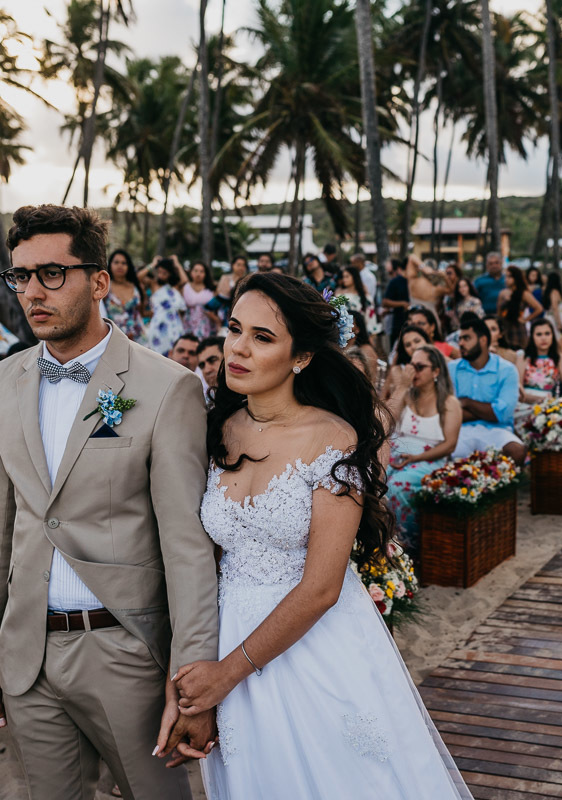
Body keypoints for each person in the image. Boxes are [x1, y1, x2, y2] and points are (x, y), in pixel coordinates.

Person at [172, 272, 471, 798]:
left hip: (311, 645)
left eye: (263, 338)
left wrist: (226, 673)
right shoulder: (216, 428)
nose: (237, 349)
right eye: (235, 329)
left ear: (302, 357)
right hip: (227, 631)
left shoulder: (333, 439)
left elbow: (322, 587)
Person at [0, 204, 218, 798]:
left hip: (125, 650)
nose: (33, 291)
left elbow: (186, 543)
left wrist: (192, 673)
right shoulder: (4, 380)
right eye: (21, 276)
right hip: (25, 656)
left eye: (52, 273)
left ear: (99, 281)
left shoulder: (166, 387)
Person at [384, 344, 461, 550]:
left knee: (397, 487)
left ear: (435, 371)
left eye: (419, 367)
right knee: (375, 482)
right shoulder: (407, 395)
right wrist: (402, 387)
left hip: (430, 459)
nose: (413, 371)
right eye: (411, 365)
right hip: (398, 454)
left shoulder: (449, 402)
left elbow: (450, 445)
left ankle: (409, 545)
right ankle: (381, 541)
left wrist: (415, 458)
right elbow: (386, 420)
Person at [448, 313, 526, 463]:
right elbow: (448, 413)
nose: (461, 343)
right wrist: (489, 409)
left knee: (517, 451)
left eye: (467, 338)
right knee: (442, 454)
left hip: (497, 430)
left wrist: (467, 402)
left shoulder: (507, 370)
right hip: (460, 430)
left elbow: (502, 414)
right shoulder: (451, 369)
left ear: (483, 340)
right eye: (460, 339)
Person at [516, 318, 562, 405]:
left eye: (547, 334)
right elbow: (517, 389)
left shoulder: (559, 358)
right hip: (524, 403)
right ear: (532, 337)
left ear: (553, 335)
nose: (543, 338)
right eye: (539, 334)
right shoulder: (523, 357)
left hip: (548, 406)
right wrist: (541, 400)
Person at [146, 257, 189, 356]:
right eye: (159, 272)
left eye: (164, 273)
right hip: (158, 323)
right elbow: (138, 277)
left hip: (174, 324)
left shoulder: (175, 286)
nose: (161, 275)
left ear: (170, 273)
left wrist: (177, 264)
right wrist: (152, 264)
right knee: (156, 353)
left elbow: (185, 280)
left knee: (174, 352)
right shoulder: (154, 284)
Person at [497, 266, 544, 351]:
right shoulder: (503, 293)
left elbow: (539, 308)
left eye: (510, 276)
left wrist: (526, 319)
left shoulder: (523, 293)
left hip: (517, 327)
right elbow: (499, 312)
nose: (507, 279)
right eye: (506, 276)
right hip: (505, 326)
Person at [105, 249, 148, 341]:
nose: (120, 265)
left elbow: (141, 312)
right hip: (115, 338)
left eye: (124, 263)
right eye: (116, 262)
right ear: (110, 264)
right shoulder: (105, 287)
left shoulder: (136, 287)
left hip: (139, 337)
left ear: (128, 266)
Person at [383, 325, 430, 400]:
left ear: (426, 340)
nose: (413, 346)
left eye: (417, 341)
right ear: (404, 349)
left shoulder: (441, 360)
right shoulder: (398, 370)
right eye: (408, 345)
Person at [337, 265, 378, 335]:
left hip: (362, 333)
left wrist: (371, 335)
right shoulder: (339, 295)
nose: (344, 279)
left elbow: (371, 318)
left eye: (347, 277)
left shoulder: (365, 297)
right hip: (343, 333)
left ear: (354, 277)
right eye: (343, 277)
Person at [183, 261, 219, 339]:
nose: (198, 274)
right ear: (191, 272)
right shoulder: (185, 287)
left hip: (207, 324)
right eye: (195, 271)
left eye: (201, 271)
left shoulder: (212, 288)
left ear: (205, 274)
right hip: (189, 324)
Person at [347, 310, 381, 387]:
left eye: (349, 322)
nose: (345, 324)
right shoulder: (338, 347)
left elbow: (372, 380)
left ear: (358, 329)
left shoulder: (366, 350)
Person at [382, 259, 411, 344]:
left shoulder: (416, 281)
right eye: (390, 273)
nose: (392, 275)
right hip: (399, 322)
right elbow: (385, 302)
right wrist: (402, 304)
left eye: (391, 273)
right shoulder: (396, 281)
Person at [473, 252, 506, 317]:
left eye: (496, 263)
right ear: (487, 265)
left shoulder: (508, 279)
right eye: (491, 263)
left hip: (505, 316)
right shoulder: (479, 281)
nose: (494, 266)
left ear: (501, 263)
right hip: (485, 316)